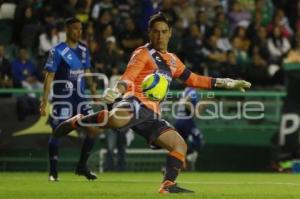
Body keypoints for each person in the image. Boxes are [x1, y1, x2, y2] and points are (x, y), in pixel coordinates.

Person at [54, 13, 251, 193]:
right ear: (150, 33)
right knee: (115, 121)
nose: (160, 36)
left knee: (180, 145)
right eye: (156, 32)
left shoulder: (173, 60)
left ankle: (168, 185)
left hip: (152, 115)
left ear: (170, 34)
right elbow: (128, 77)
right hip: (134, 102)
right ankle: (77, 121)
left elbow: (195, 80)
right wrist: (116, 91)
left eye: (164, 32)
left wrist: (226, 82)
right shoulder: (142, 53)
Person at [39, 18, 99, 181]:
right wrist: (44, 101)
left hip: (81, 99)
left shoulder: (84, 50)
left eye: (80, 29)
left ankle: (81, 166)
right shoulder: (57, 50)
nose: (79, 32)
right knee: (58, 133)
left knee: (93, 130)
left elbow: (87, 72)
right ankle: (53, 172)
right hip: (62, 98)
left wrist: (93, 92)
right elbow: (49, 76)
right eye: (75, 29)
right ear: (67, 30)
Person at [173, 87, 205, 171]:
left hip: (178, 120)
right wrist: (194, 111)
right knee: (199, 139)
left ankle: (171, 166)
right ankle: (189, 156)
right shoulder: (193, 91)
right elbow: (186, 102)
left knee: (180, 145)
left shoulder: (186, 90)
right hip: (186, 120)